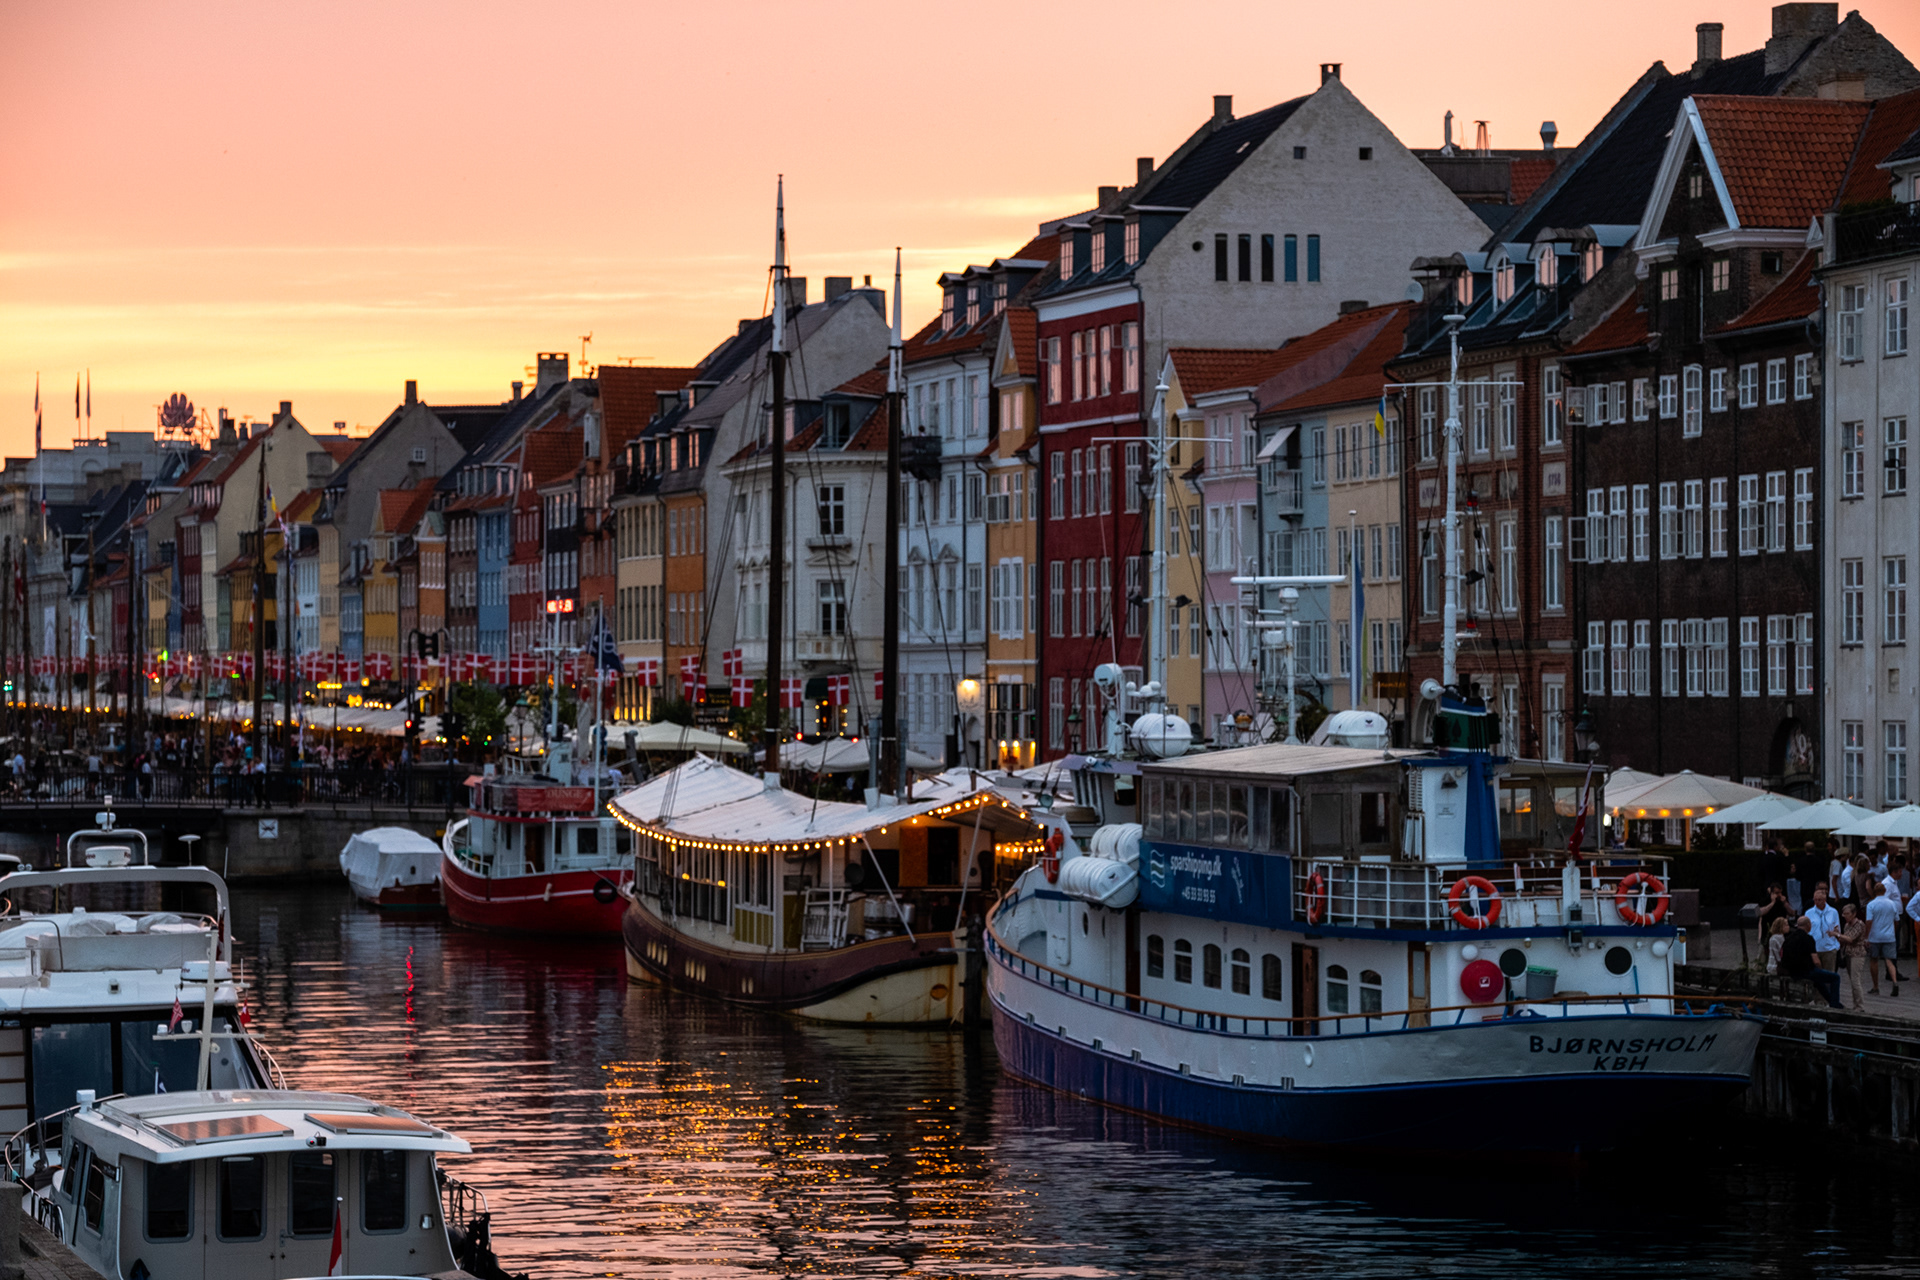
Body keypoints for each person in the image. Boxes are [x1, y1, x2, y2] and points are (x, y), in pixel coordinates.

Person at [1781, 915, 1844, 1009]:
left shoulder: (1789, 938)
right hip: (1806, 971)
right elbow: (1816, 960)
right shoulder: (1808, 939)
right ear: (1808, 925)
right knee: (1835, 978)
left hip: (1792, 971)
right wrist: (1820, 968)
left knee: (1818, 981)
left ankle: (1832, 1002)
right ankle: (1835, 1004)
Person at [1869, 881, 1906, 996]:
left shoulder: (1871, 905)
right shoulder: (1892, 904)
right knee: (1889, 960)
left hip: (1875, 936)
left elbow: (1869, 921)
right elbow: (1896, 920)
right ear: (1885, 891)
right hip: (1889, 936)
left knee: (1874, 960)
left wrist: (1866, 936)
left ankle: (1875, 986)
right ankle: (1894, 982)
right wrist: (1893, 932)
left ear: (1874, 892)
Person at [1840, 904, 1869, 1010]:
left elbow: (1850, 938)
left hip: (1857, 955)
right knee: (1852, 980)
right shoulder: (1847, 925)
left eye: (1847, 914)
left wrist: (1837, 935)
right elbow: (1844, 939)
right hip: (1848, 954)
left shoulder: (1859, 925)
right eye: (1844, 914)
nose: (1845, 916)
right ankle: (1855, 1004)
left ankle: (1860, 1006)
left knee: (1855, 980)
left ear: (1854, 914)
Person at [1807, 883, 1842, 972]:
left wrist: (1836, 945)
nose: (1817, 902)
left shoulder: (1833, 912)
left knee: (1829, 973)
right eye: (1815, 900)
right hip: (1815, 948)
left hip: (1829, 949)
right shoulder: (1809, 913)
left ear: (1824, 900)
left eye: (1819, 900)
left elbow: (1837, 928)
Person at [1757, 883, 1793, 950]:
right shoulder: (1766, 900)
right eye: (1777, 893)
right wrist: (1772, 903)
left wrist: (1785, 903)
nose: (1779, 895)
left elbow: (1792, 913)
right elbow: (1760, 912)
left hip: (1782, 928)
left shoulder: (1782, 901)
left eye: (1780, 892)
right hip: (1769, 928)